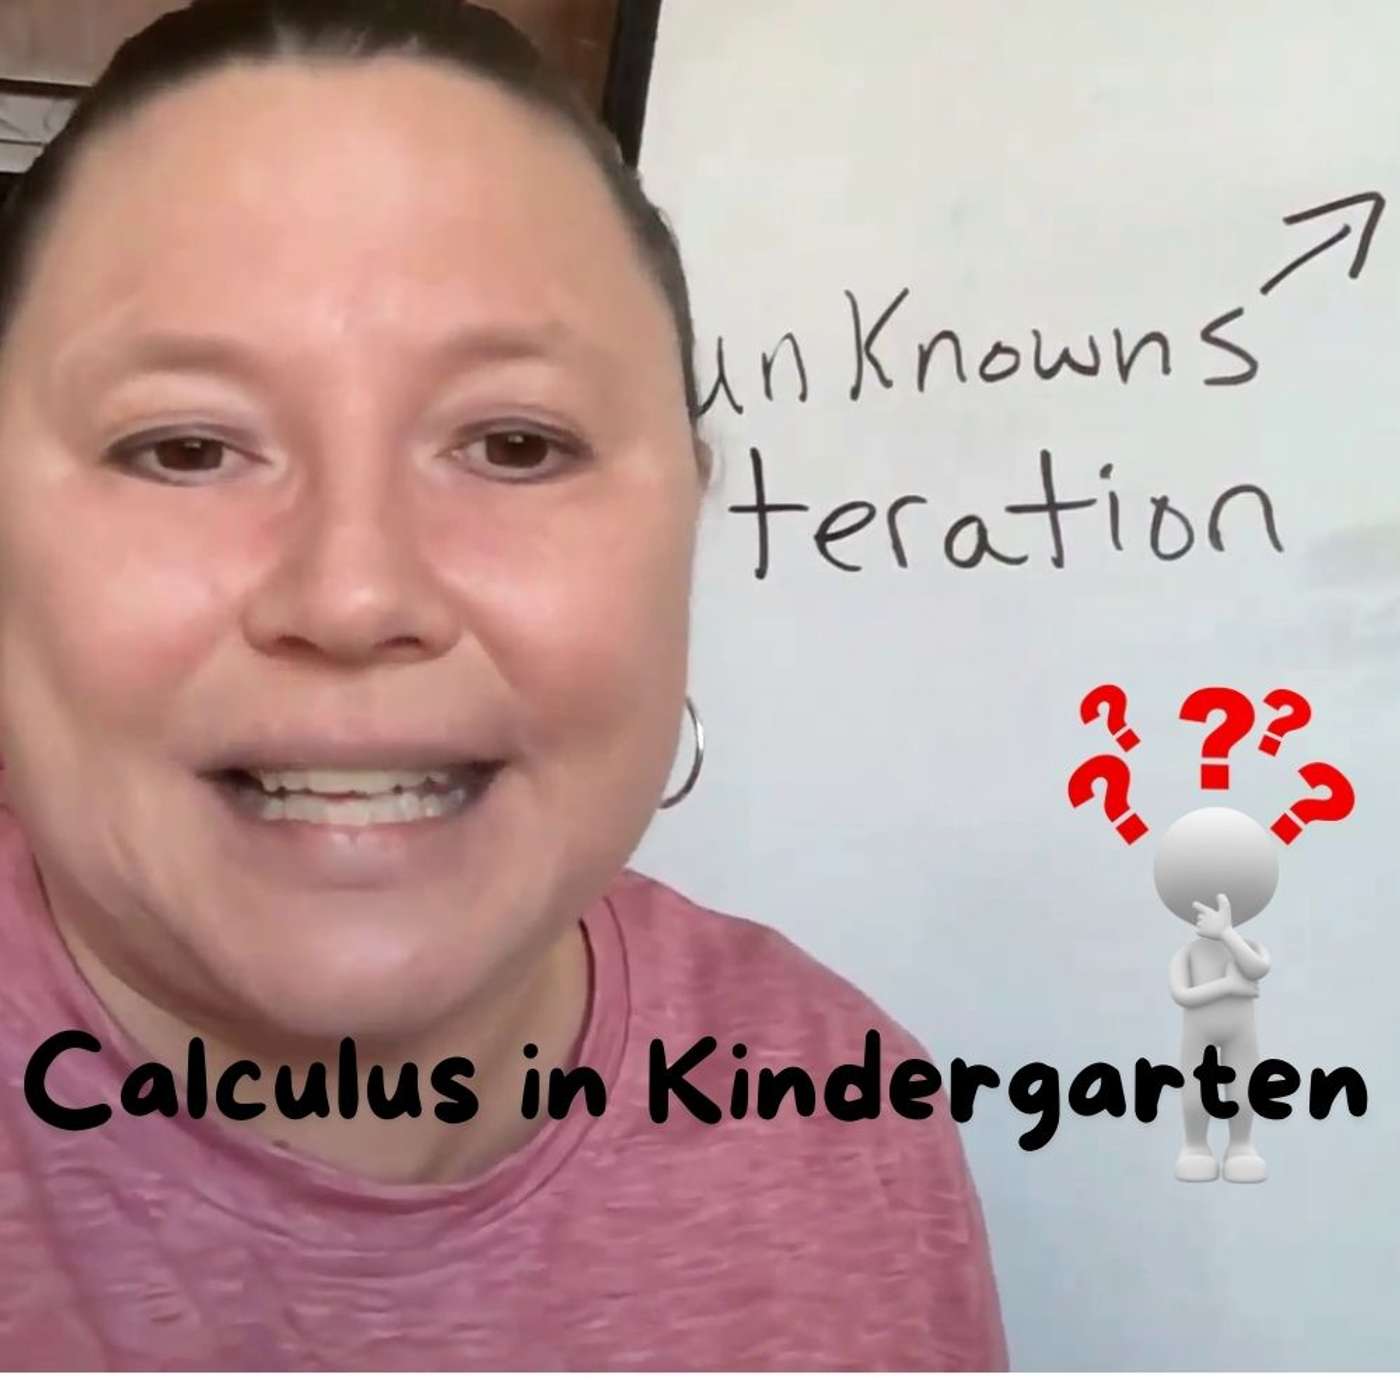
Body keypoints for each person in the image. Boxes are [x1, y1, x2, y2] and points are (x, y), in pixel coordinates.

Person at [0, 0, 1007, 1370]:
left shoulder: (841, 1119)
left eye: (517, 445)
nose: (354, 596)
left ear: (690, 514)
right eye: (183, 448)